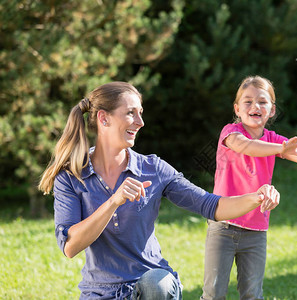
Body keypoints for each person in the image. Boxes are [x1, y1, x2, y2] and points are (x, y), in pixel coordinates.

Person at [38, 81, 281, 300]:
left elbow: (210, 205)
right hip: (99, 291)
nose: (140, 122)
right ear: (104, 118)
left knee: (156, 285)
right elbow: (70, 247)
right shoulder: (71, 177)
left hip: (151, 285)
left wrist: (256, 197)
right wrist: (114, 201)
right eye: (131, 113)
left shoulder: (152, 169)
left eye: (140, 113)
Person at [201, 75, 297, 300]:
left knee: (253, 294)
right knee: (214, 294)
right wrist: (281, 148)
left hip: (256, 230)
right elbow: (246, 146)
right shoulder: (230, 132)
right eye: (247, 101)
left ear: (272, 110)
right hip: (223, 227)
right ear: (237, 109)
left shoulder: (275, 140)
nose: (255, 106)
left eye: (262, 102)